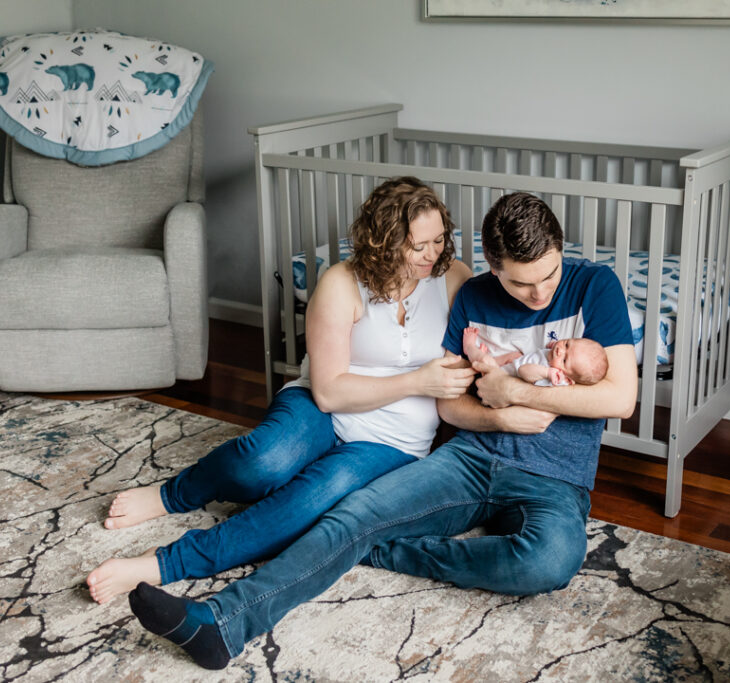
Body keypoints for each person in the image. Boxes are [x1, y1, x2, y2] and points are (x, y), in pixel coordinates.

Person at [125, 191, 638, 670]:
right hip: (468, 459)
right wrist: (498, 416)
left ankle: (383, 551)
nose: (539, 292)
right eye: (521, 282)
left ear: (560, 249)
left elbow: (620, 398)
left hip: (554, 477)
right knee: (351, 515)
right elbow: (452, 409)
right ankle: (223, 623)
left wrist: (518, 393)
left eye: (548, 275)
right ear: (492, 264)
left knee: (551, 560)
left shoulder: (594, 286)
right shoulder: (473, 294)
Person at [85, 176, 475, 604]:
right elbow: (328, 393)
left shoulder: (452, 277)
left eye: (439, 240)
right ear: (384, 241)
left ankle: (164, 564)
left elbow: (484, 338)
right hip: (323, 405)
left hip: (393, 440)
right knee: (260, 462)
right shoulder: (342, 283)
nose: (431, 254)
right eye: (417, 246)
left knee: (308, 503)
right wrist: (418, 381)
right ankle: (174, 493)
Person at [462, 326, 609, 386]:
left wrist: (547, 372)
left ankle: (469, 348)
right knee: (515, 355)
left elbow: (523, 370)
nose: (560, 351)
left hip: (497, 381)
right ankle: (490, 361)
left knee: (486, 361)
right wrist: (552, 347)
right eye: (567, 345)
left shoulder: (553, 378)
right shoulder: (555, 359)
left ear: (568, 379)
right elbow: (544, 355)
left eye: (564, 360)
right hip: (509, 368)